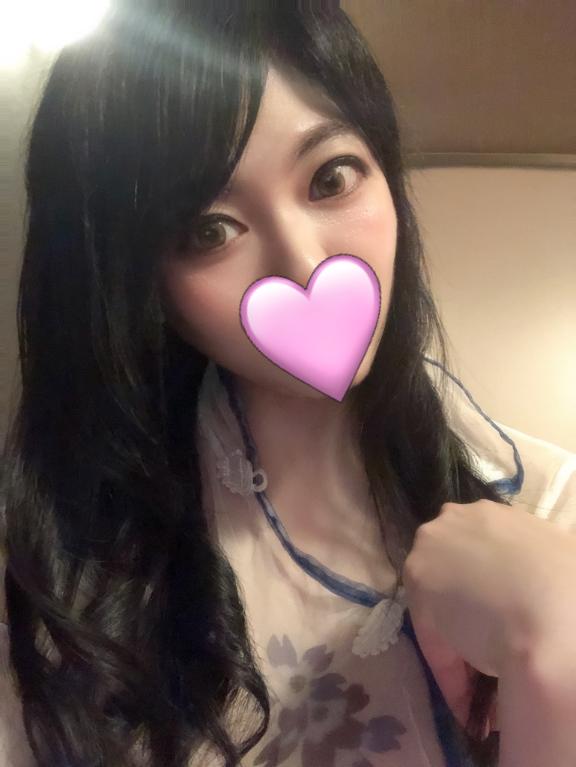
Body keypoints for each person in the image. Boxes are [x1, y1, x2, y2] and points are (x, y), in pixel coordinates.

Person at [2, 2, 575, 766]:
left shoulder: (548, 504)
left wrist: (556, 651)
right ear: (141, 285)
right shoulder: (68, 587)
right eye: (209, 230)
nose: (305, 265)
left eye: (331, 177)